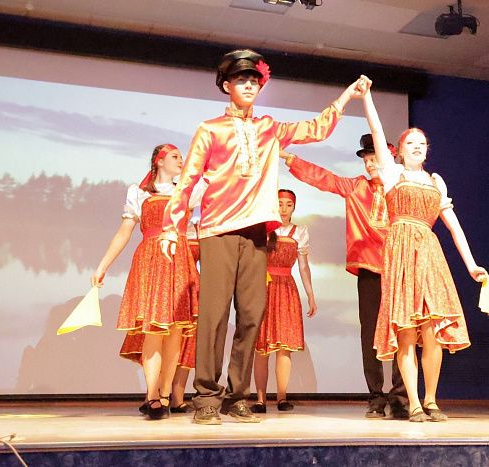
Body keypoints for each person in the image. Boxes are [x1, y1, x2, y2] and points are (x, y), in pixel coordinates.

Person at [160, 48, 366, 425]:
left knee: (252, 315)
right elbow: (187, 181)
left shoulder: (269, 127)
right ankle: (206, 396)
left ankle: (237, 396)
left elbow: (316, 129)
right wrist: (172, 228)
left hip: (257, 233)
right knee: (214, 315)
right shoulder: (210, 129)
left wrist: (346, 97)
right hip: (218, 230)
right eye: (241, 80)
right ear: (226, 85)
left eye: (254, 81)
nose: (249, 86)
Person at [360, 77, 487, 422]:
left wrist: (471, 265)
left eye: (422, 143)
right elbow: (376, 129)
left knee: (432, 332)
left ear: (427, 150)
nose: (416, 147)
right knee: (406, 332)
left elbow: (454, 226)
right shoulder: (391, 173)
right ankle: (413, 403)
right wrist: (367, 96)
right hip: (401, 252)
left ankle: (431, 400)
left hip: (429, 253)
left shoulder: (436, 181)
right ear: (399, 150)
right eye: (410, 143)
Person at [280, 140, 409, 419]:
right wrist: (291, 159)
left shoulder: (401, 189)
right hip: (370, 270)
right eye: (366, 160)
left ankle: (401, 396)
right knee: (370, 334)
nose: (369, 164)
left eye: (374, 159)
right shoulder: (357, 187)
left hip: (398, 268)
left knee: (402, 331)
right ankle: (376, 396)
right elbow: (324, 178)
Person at [91, 144, 199, 420]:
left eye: (182, 157)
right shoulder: (139, 193)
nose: (181, 160)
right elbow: (124, 232)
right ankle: (152, 395)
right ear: (159, 161)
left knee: (175, 332)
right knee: (154, 329)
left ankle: (164, 394)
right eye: (175, 156)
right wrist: (102, 266)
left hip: (179, 260)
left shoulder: (186, 191)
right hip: (151, 260)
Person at [251, 189, 316, 413]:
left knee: (284, 347)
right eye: (280, 203)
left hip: (287, 289)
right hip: (264, 287)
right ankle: (260, 399)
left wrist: (311, 295)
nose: (284, 208)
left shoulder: (300, 232)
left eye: (288, 204)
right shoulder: (263, 230)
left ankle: (281, 397)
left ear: (294, 207)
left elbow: (303, 267)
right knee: (262, 347)